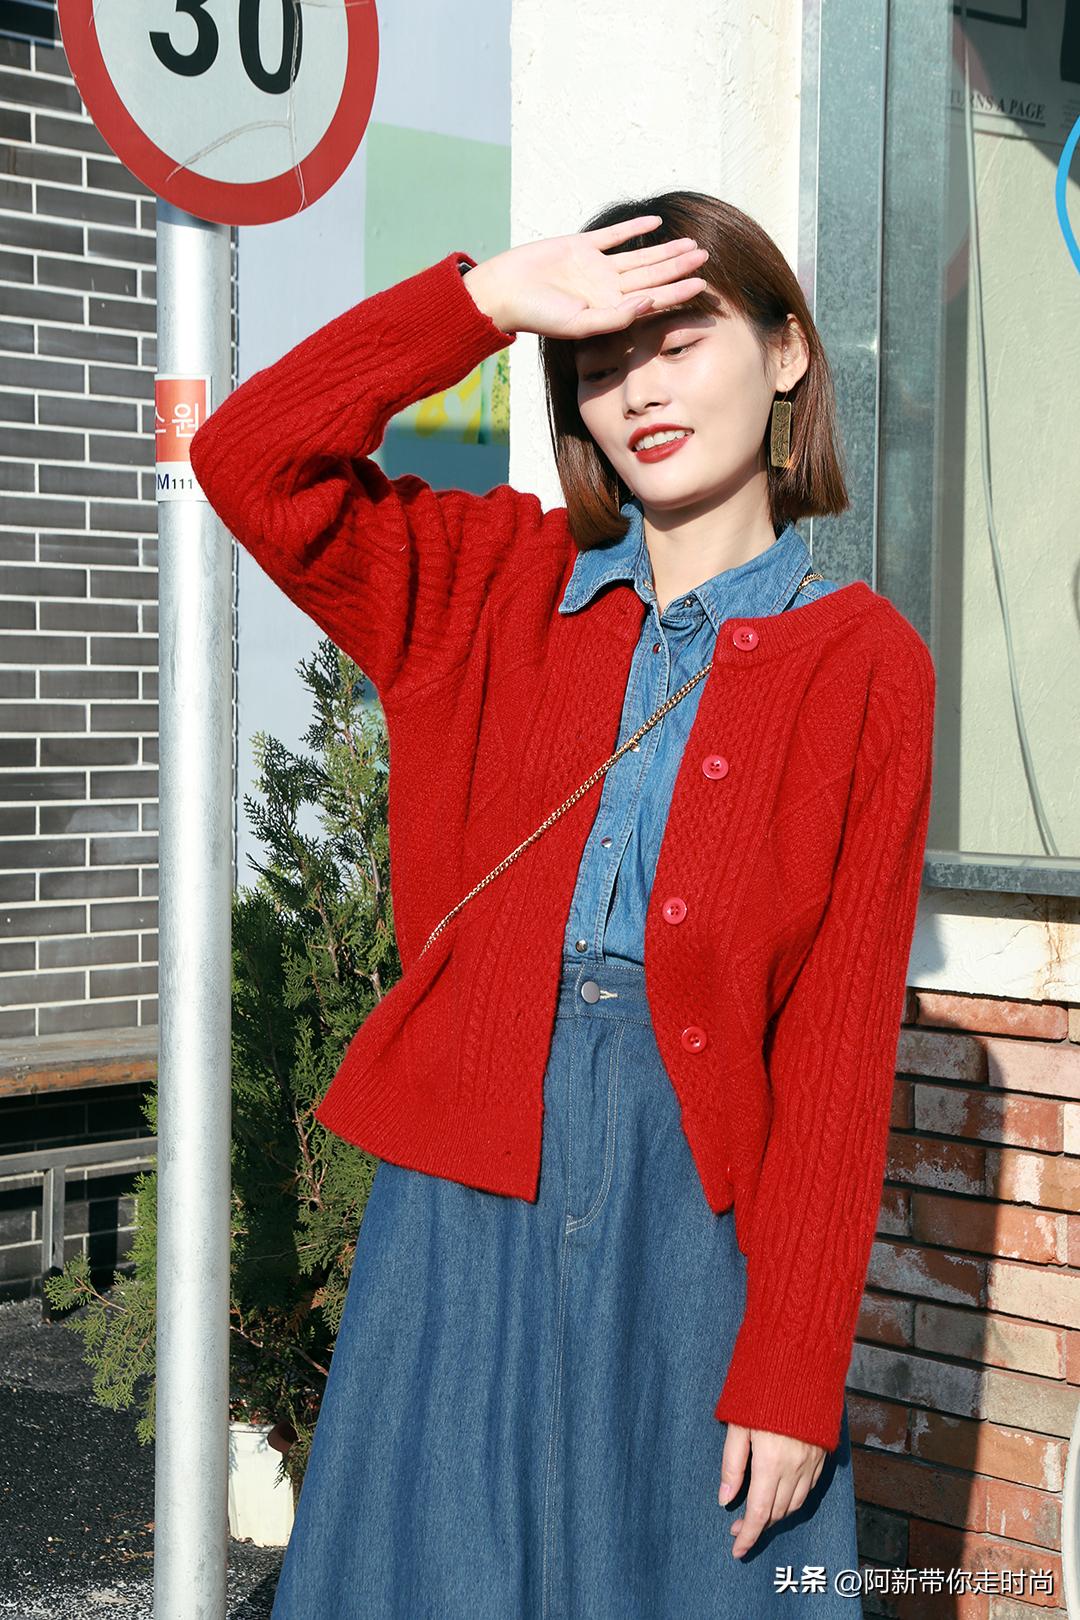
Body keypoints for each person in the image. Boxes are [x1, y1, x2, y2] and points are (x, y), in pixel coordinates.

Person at [189, 190, 936, 1617]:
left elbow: (838, 1055)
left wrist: (794, 1369)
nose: (640, 389)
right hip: (463, 1195)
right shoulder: (486, 586)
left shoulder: (866, 667)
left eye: (682, 340)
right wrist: (482, 301)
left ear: (786, 353)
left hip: (689, 1222)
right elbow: (250, 457)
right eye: (601, 361)